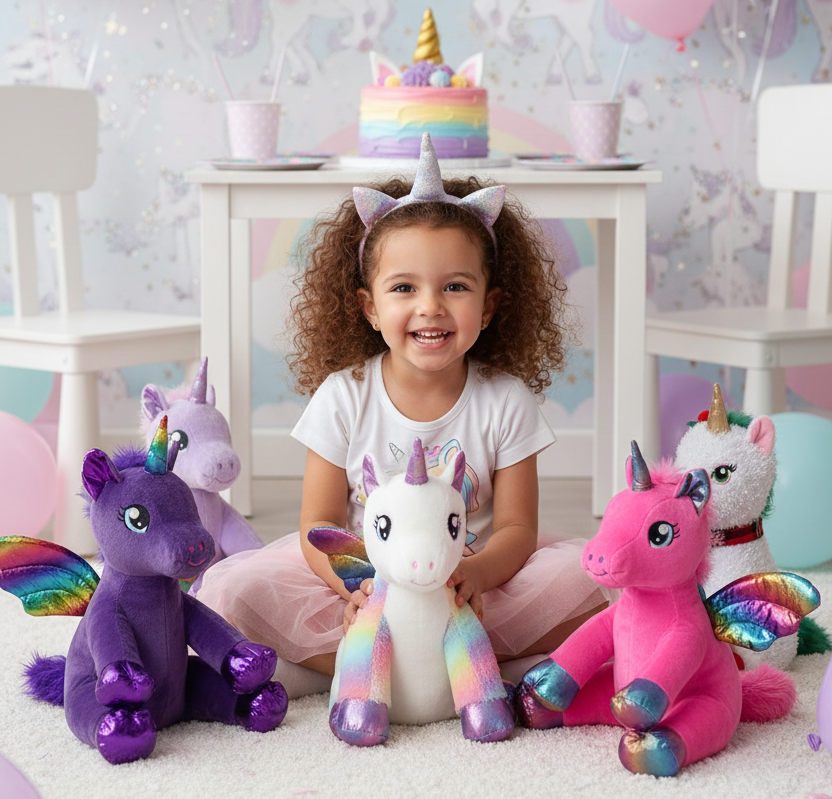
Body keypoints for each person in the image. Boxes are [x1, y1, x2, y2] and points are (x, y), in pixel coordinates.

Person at [197, 134, 608, 698]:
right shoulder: (344, 397)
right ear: (370, 307)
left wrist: (476, 577)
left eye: (456, 287)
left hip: (472, 580)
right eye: (404, 287)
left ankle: (419, 663)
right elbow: (320, 525)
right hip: (369, 576)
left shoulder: (505, 400)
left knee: (590, 580)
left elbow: (517, 528)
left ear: (488, 306)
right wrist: (357, 589)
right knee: (234, 594)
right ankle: (419, 664)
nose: (430, 306)